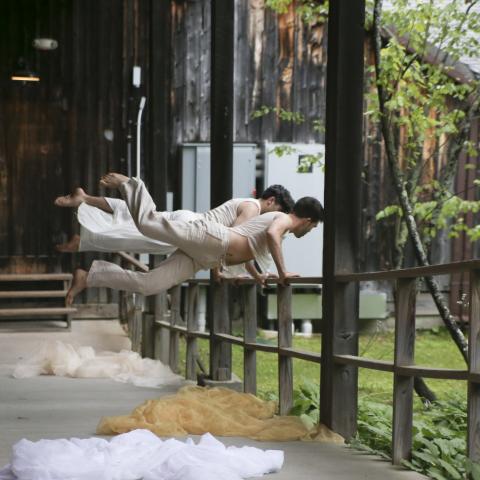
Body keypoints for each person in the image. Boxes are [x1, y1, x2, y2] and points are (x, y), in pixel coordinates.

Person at [66, 173, 324, 305]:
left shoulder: (280, 224)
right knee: (147, 225)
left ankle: (90, 276)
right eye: (312, 228)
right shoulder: (282, 220)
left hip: (209, 256)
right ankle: (130, 184)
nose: (309, 232)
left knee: (150, 285)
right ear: (308, 220)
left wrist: (258, 277)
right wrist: (283, 272)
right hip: (210, 237)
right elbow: (269, 235)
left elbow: (247, 247)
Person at [53, 185, 294, 256]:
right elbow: (233, 239)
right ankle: (85, 239)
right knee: (139, 237)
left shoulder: (245, 202)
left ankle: (85, 198)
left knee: (138, 214)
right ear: (271, 201)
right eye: (277, 211)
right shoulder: (253, 209)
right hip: (192, 229)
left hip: (189, 219)